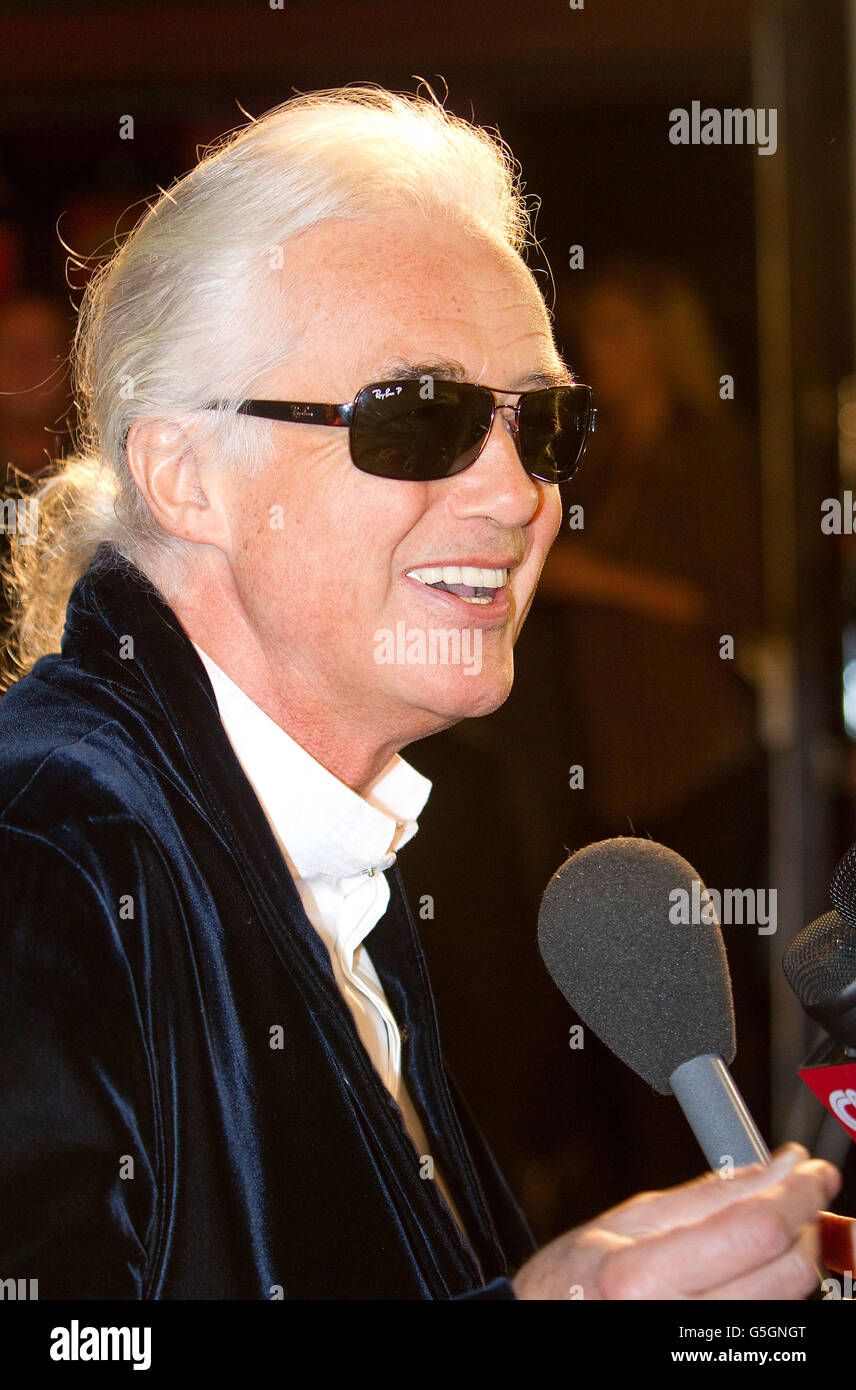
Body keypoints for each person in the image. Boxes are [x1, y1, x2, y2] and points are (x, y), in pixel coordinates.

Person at [0, 87, 837, 1300]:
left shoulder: (306, 843)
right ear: (186, 477)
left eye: (543, 423)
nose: (517, 495)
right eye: (419, 416)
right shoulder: (47, 850)